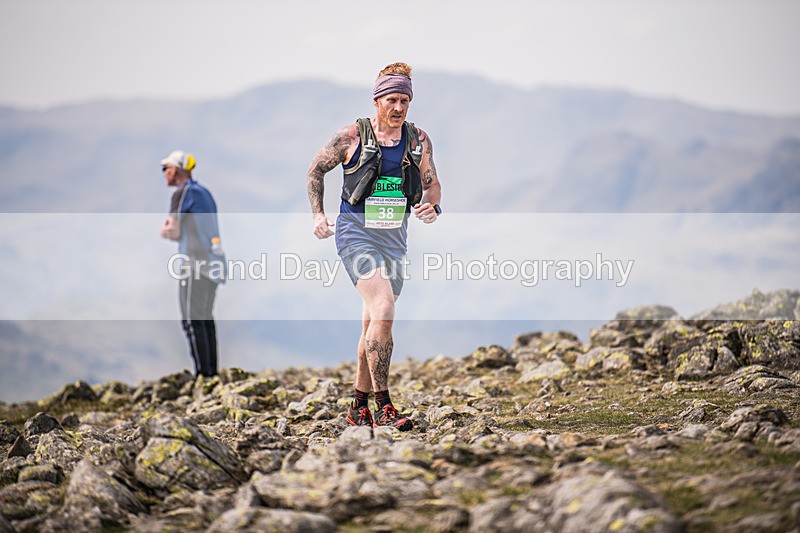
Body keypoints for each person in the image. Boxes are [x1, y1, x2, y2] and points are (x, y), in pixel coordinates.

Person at [306, 62, 442, 430]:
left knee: (372, 321)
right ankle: (384, 406)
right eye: (391, 100)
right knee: (383, 308)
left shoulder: (418, 140)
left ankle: (358, 407)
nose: (398, 108)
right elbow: (316, 170)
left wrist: (432, 206)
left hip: (395, 239)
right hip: (355, 234)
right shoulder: (350, 137)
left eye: (404, 101)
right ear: (377, 100)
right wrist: (318, 215)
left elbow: (432, 184)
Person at [159, 150, 225, 378]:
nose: (164, 173)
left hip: (195, 263)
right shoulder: (204, 192)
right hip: (215, 263)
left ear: (175, 170)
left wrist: (165, 231)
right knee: (205, 319)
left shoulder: (183, 192)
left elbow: (172, 230)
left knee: (191, 321)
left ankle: (203, 376)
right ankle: (211, 374)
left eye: (165, 168)